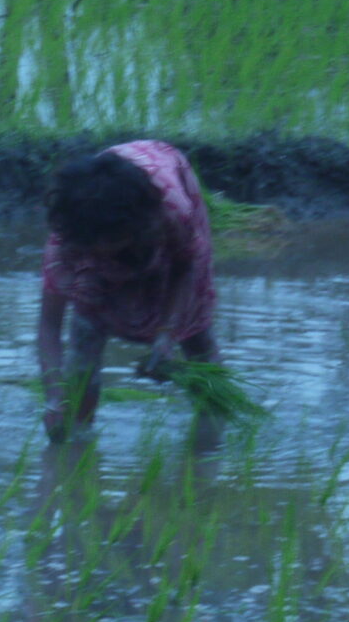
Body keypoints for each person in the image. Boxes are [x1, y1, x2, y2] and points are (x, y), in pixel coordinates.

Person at [35, 140, 218, 440]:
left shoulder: (172, 214)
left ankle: (211, 429)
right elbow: (48, 325)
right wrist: (55, 397)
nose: (103, 253)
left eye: (110, 244)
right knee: (85, 328)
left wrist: (167, 334)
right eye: (96, 248)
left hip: (154, 202)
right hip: (104, 211)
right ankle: (79, 435)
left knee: (195, 329)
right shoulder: (68, 240)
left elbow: (186, 268)